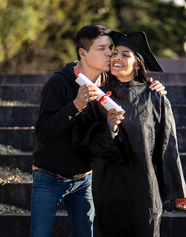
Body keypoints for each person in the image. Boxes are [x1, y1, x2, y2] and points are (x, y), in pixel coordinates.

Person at [31, 24, 166, 237]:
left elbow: (134, 88)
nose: (110, 53)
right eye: (102, 48)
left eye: (109, 47)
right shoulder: (58, 83)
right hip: (50, 176)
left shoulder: (108, 84)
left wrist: (151, 85)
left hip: (85, 178)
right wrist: (75, 105)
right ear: (83, 54)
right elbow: (43, 131)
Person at [73, 30, 186, 237]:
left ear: (137, 64)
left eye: (125, 54)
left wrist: (179, 190)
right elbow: (83, 140)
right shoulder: (97, 96)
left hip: (144, 186)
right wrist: (109, 127)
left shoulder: (155, 98)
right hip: (109, 186)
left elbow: (168, 145)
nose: (117, 57)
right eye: (115, 53)